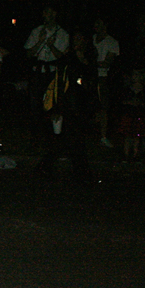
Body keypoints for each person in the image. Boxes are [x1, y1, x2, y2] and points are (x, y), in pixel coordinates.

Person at [34, 29, 96, 182]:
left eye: (79, 38)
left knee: (71, 140)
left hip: (80, 104)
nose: (77, 41)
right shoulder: (68, 58)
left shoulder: (88, 56)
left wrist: (84, 64)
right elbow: (61, 83)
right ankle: (80, 171)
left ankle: (50, 167)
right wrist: (57, 107)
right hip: (68, 104)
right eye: (75, 38)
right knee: (71, 139)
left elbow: (90, 80)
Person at [24, 5, 69, 144]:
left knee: (52, 104)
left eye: (48, 12)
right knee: (35, 104)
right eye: (44, 12)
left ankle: (53, 137)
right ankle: (36, 137)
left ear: (54, 14)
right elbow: (28, 53)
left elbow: (61, 56)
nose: (44, 15)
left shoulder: (62, 34)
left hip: (53, 73)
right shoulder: (37, 31)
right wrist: (40, 41)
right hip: (38, 71)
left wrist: (50, 45)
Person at [92, 18, 119, 148]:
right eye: (95, 23)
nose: (96, 25)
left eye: (99, 23)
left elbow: (107, 63)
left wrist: (91, 63)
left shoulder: (112, 42)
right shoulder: (90, 39)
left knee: (103, 108)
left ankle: (103, 136)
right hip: (88, 78)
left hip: (102, 78)